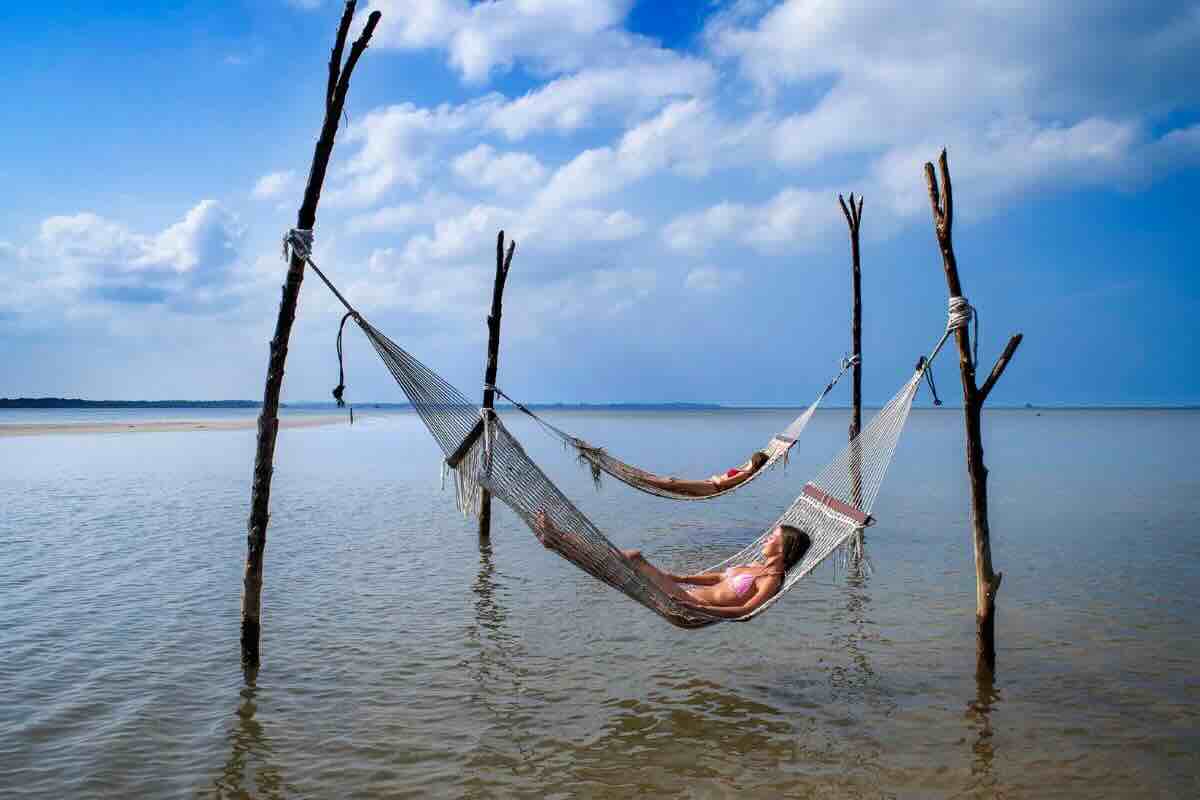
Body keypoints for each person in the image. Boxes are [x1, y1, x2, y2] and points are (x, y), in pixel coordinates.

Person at [532, 512, 811, 619]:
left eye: (773, 536)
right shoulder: (755, 565)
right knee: (623, 564)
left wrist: (703, 609)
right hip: (684, 591)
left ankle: (558, 538)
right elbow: (717, 579)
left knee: (632, 559)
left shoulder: (771, 580)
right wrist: (678, 576)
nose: (766, 537)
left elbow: (747, 610)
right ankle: (558, 540)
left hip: (687, 606)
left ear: (784, 547)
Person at [639, 450, 770, 497]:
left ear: (753, 460)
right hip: (710, 485)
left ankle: (642, 480)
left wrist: (714, 477)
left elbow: (722, 482)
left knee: (673, 483)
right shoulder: (746, 469)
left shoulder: (745, 474)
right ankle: (645, 479)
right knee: (674, 482)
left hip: (712, 487)